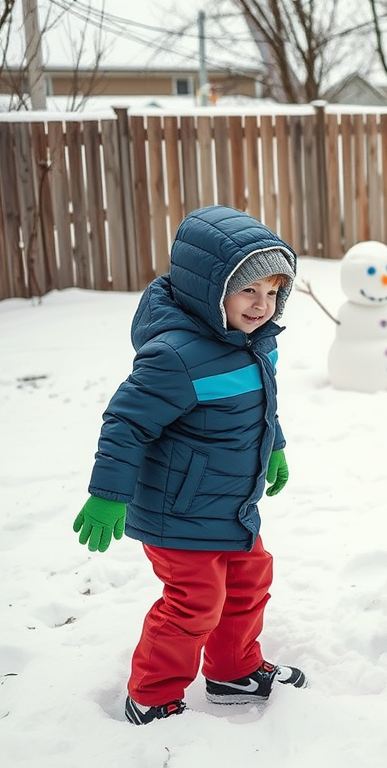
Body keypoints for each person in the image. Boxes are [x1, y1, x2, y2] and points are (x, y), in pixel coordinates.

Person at [71, 205, 308, 724]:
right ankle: (151, 695)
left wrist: (276, 446)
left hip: (231, 506)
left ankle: (232, 671)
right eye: (248, 291)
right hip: (176, 511)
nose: (262, 305)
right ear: (210, 287)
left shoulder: (255, 345)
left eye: (273, 293)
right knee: (195, 601)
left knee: (248, 582)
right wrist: (109, 492)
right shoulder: (175, 356)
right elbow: (126, 423)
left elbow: (261, 405)